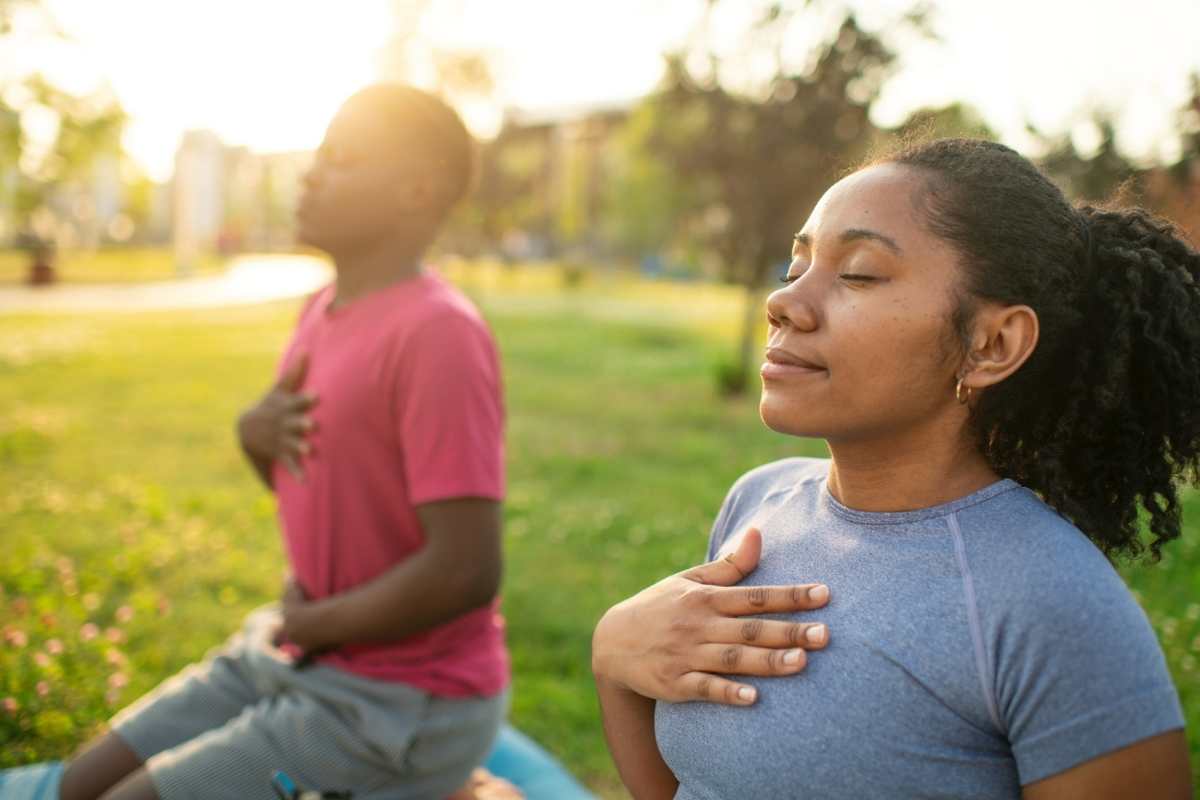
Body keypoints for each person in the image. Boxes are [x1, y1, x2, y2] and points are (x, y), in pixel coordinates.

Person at [591, 138, 1196, 799]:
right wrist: (614, 657)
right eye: (796, 267)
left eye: (857, 273)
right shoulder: (758, 506)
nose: (784, 302)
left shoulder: (1051, 602)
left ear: (990, 345)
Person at [57, 84, 510, 800]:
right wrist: (252, 439)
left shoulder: (438, 333)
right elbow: (339, 491)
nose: (310, 173)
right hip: (299, 647)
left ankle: (451, 784)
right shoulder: (319, 313)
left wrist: (317, 621)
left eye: (341, 159)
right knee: (81, 784)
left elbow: (466, 569)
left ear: (416, 190)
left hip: (399, 701)